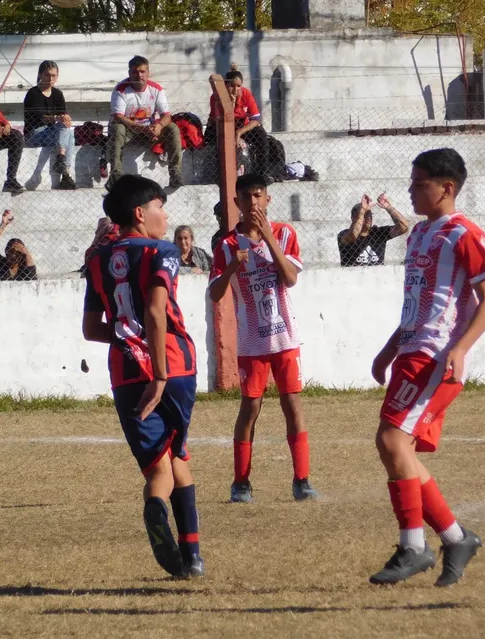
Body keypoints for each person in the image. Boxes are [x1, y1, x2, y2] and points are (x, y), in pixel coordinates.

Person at [368, 147, 485, 587]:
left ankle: (413, 546)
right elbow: (418, 303)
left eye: (419, 184)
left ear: (447, 188)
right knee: (397, 448)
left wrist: (461, 349)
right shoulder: (419, 234)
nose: (410, 190)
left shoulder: (465, 234)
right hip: (411, 351)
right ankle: (456, 539)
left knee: (392, 441)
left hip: (436, 356)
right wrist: (389, 349)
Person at [82, 175, 203, 579]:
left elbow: (91, 329)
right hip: (174, 367)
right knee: (178, 454)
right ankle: (192, 556)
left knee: (158, 467)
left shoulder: (97, 259)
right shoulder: (162, 250)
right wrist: (161, 375)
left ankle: (158, 510)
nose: (165, 215)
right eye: (159, 207)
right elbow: (154, 311)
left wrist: (126, 337)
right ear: (139, 213)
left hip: (126, 372)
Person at [209, 173, 318, 503]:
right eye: (247, 197)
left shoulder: (284, 234)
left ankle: (302, 480)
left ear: (268, 199)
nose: (253, 202)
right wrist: (232, 267)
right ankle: (241, 482)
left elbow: (290, 278)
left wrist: (268, 238)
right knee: (250, 407)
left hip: (285, 337)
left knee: (292, 404)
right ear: (237, 203)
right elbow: (215, 293)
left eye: (258, 195)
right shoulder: (227, 245)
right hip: (252, 341)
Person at [107, 56, 184, 191]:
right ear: (129, 73)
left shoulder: (156, 89)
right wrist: (141, 128)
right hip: (129, 129)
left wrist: (159, 126)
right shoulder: (121, 89)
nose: (139, 75)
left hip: (150, 129)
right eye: (135, 72)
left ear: (148, 72)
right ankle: (115, 175)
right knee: (118, 128)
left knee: (172, 128)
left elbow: (166, 115)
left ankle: (175, 174)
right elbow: (118, 117)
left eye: (142, 71)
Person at [207, 67, 286, 184]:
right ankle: (218, 174)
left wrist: (239, 132)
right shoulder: (216, 97)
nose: (235, 89)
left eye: (238, 86)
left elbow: (256, 119)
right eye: (232, 86)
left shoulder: (245, 94)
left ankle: (262, 174)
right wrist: (231, 104)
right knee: (212, 141)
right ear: (225, 85)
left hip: (242, 126)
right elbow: (221, 120)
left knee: (261, 135)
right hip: (220, 126)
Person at [24, 61, 76, 190]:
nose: (50, 78)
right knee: (67, 132)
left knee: (69, 132)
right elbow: (40, 116)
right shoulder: (33, 93)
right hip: (34, 133)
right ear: (40, 75)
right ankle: (65, 172)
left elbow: (62, 114)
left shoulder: (58, 94)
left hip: (52, 133)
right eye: (47, 75)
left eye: (53, 75)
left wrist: (66, 118)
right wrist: (57, 118)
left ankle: (62, 164)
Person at [337, 193, 410, 267]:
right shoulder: (344, 234)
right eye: (365, 214)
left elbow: (404, 227)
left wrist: (389, 207)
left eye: (370, 214)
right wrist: (362, 210)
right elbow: (353, 235)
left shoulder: (378, 233)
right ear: (353, 218)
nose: (369, 217)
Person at [0, 210, 37, 281]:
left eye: (17, 252)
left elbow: (33, 279)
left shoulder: (25, 269)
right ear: (6, 251)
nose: (13, 255)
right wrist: (3, 225)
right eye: (11, 251)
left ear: (22, 255)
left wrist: (27, 253)